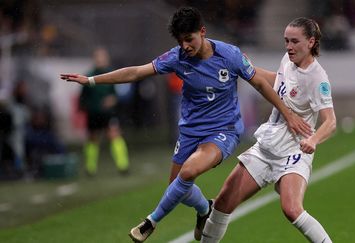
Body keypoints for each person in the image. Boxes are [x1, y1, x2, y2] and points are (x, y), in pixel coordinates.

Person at [61, 7, 311, 242]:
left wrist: (288, 113)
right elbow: (137, 72)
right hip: (190, 131)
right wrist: (92, 80)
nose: (185, 46)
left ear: (202, 31)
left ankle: (150, 221)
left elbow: (259, 82)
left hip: (223, 131)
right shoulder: (177, 57)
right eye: (180, 40)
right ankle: (205, 209)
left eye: (189, 39)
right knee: (177, 187)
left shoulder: (230, 55)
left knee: (188, 172)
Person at [201, 17, 336, 243]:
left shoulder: (317, 78)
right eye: (286, 41)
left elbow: (330, 121)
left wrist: (313, 140)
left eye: (295, 41)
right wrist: (249, 69)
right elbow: (279, 81)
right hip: (266, 147)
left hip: (294, 151)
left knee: (291, 209)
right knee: (223, 202)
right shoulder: (287, 60)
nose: (289, 47)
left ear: (311, 42)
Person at [78, 47, 130, 176]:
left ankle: (123, 165)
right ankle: (90, 168)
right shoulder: (88, 75)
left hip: (109, 113)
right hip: (94, 113)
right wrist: (89, 107)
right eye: (98, 57)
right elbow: (83, 98)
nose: (100, 60)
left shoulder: (113, 74)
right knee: (93, 138)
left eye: (102, 57)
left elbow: (122, 93)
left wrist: (114, 99)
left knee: (114, 135)